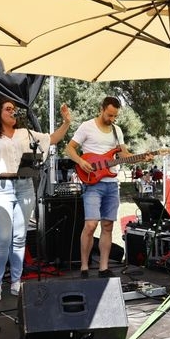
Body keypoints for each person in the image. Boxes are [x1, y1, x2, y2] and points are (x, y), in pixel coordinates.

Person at [0, 98, 72, 301]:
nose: (12, 112)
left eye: (14, 109)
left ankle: (17, 282)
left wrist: (66, 123)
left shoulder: (25, 134)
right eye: (8, 109)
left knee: (19, 238)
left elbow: (50, 139)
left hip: (25, 187)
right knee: (3, 238)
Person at [65, 96, 133, 278]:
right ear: (101, 109)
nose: (112, 119)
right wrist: (81, 161)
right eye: (109, 115)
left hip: (111, 183)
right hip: (92, 182)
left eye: (115, 116)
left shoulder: (117, 131)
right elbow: (69, 148)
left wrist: (141, 157)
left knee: (108, 225)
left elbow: (124, 154)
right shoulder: (87, 126)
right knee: (91, 224)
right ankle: (84, 266)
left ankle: (103, 267)